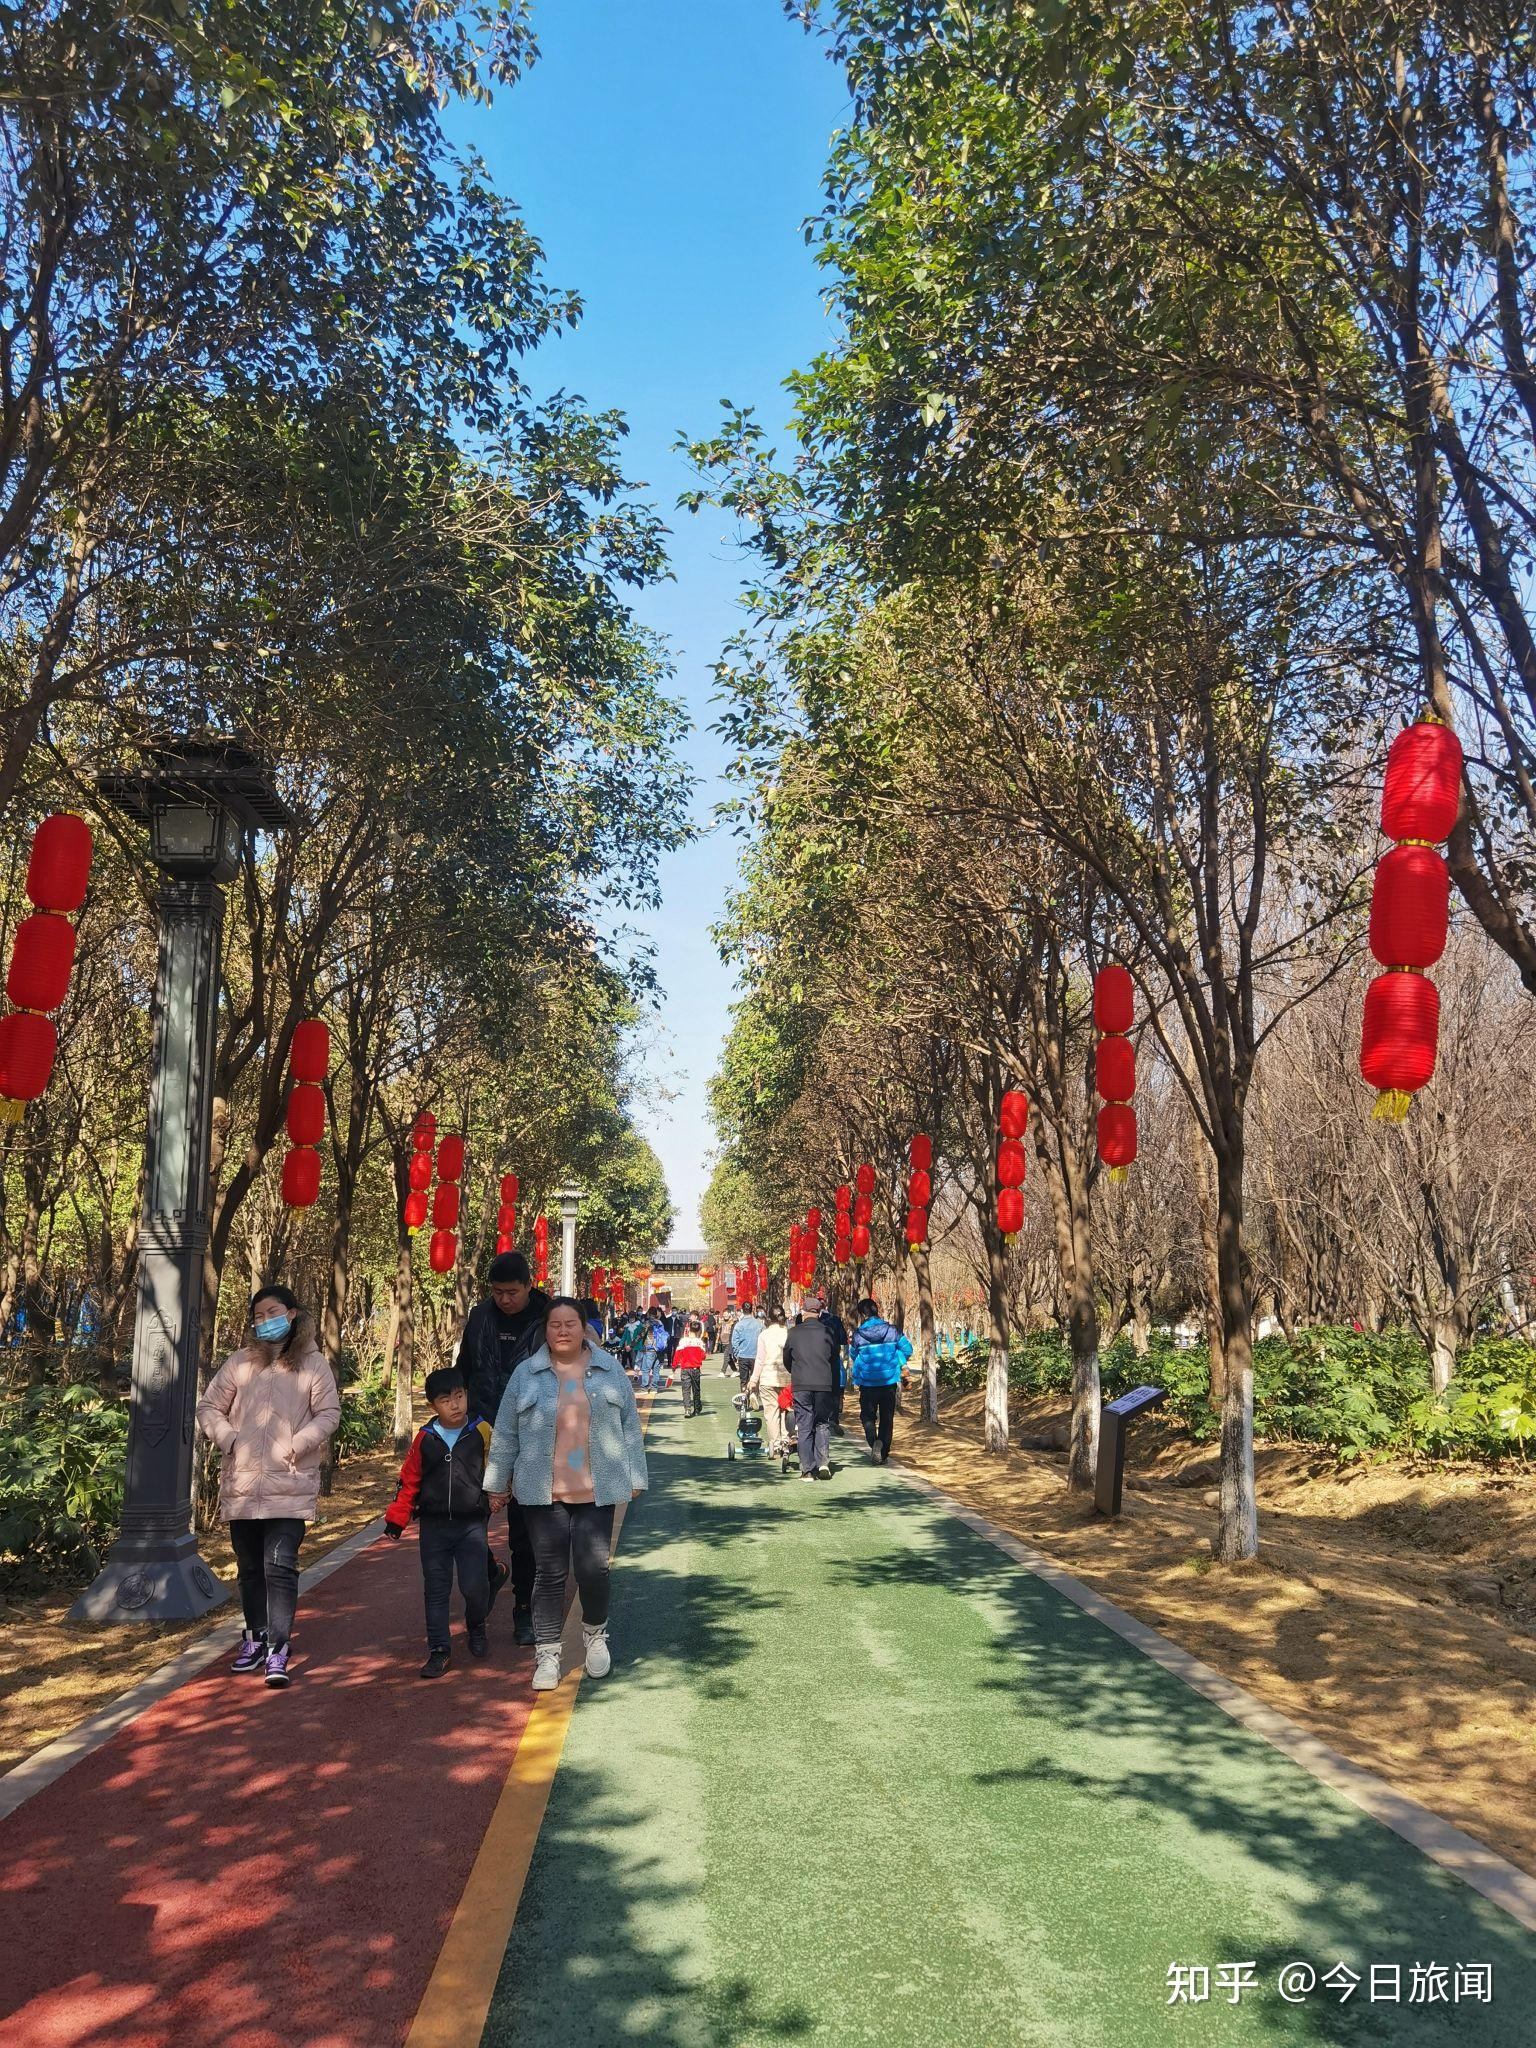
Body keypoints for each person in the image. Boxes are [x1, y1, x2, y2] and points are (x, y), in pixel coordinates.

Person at [486, 1296, 648, 1691]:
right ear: (545, 1329)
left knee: (594, 1569)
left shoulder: (608, 1369)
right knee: (550, 1573)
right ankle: (547, 1652)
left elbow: (629, 1426)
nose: (562, 1331)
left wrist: (635, 1474)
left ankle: (595, 1636)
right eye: (555, 1324)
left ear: (583, 1327)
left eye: (570, 1323)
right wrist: (495, 1483)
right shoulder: (526, 1374)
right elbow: (506, 1431)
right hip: (543, 1492)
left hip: (597, 1488)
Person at [197, 1285, 341, 1687]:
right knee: (248, 1568)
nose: (265, 1321)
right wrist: (230, 1439)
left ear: (292, 1314)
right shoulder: (240, 1363)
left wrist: (299, 1442)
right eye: (258, 1316)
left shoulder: (313, 1364)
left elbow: (329, 1413)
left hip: (290, 1482)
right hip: (242, 1484)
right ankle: (255, 1636)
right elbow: (209, 1407)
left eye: (273, 1312)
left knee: (279, 1564)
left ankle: (278, 1646)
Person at [383, 1364, 509, 1677]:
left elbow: (498, 1464)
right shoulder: (425, 1438)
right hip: (434, 1527)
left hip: (471, 1525)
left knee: (473, 1586)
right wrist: (398, 1518)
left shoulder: (481, 1430)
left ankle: (476, 1625)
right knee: (436, 1589)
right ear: (433, 1406)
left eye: (459, 1396)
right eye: (445, 1400)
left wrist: (498, 1493)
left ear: (467, 1395)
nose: (455, 1404)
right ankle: (439, 1650)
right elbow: (409, 1478)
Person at [459, 1251, 552, 1646]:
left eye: (512, 1292)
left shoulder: (548, 1316)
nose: (504, 1300)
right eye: (497, 1292)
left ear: (529, 1286)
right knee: (467, 1521)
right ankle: (490, 1572)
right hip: (481, 1432)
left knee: (524, 1532)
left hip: (532, 1437)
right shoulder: (481, 1316)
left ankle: (523, 1610)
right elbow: (466, 1366)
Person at [848, 1297, 915, 1464]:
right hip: (888, 1383)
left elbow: (853, 1355)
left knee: (867, 1417)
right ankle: (883, 1453)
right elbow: (907, 1348)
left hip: (867, 1383)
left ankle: (874, 1442)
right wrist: (899, 1357)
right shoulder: (892, 1331)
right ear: (877, 1311)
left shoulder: (858, 1335)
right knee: (887, 1418)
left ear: (862, 1315)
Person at [784, 1295, 839, 1481]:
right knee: (822, 1423)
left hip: (801, 1383)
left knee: (805, 1426)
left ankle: (807, 1470)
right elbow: (834, 1360)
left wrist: (797, 1371)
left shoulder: (793, 1333)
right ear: (820, 1312)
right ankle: (823, 1462)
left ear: (803, 1311)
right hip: (824, 1383)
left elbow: (787, 1359)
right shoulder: (828, 1332)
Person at [746, 1302, 790, 1455]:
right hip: (788, 1379)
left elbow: (760, 1360)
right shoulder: (789, 1333)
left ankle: (775, 1445)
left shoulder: (764, 1335)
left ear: (768, 1319)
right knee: (787, 1410)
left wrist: (753, 1380)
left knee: (771, 1413)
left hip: (767, 1378)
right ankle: (787, 1441)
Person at [821, 1298, 850, 1435]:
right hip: (833, 1360)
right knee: (834, 1390)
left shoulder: (805, 1321)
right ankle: (833, 1420)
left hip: (814, 1362)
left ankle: (821, 1420)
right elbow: (843, 1340)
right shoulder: (835, 1320)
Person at [673, 1314, 707, 1416]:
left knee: (686, 1389)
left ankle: (687, 1408)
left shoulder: (683, 1341)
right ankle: (697, 1408)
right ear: (698, 1331)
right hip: (695, 1369)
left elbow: (677, 1355)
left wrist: (674, 1366)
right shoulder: (699, 1343)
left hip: (685, 1369)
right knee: (696, 1389)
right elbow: (703, 1356)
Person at [728, 1301, 764, 1392]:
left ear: (743, 1310)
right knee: (755, 1378)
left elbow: (734, 1342)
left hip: (743, 1355)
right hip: (756, 1355)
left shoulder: (739, 1325)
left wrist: (736, 1355)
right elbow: (764, 1339)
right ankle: (753, 1393)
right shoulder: (759, 1324)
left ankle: (744, 1395)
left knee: (743, 1380)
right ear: (752, 1310)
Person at [639, 1307, 669, 1391]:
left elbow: (641, 1335)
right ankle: (654, 1387)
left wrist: (631, 1345)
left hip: (650, 1349)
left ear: (648, 1313)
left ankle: (644, 1386)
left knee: (645, 1370)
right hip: (659, 1350)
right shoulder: (660, 1322)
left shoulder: (648, 1323)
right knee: (656, 1370)